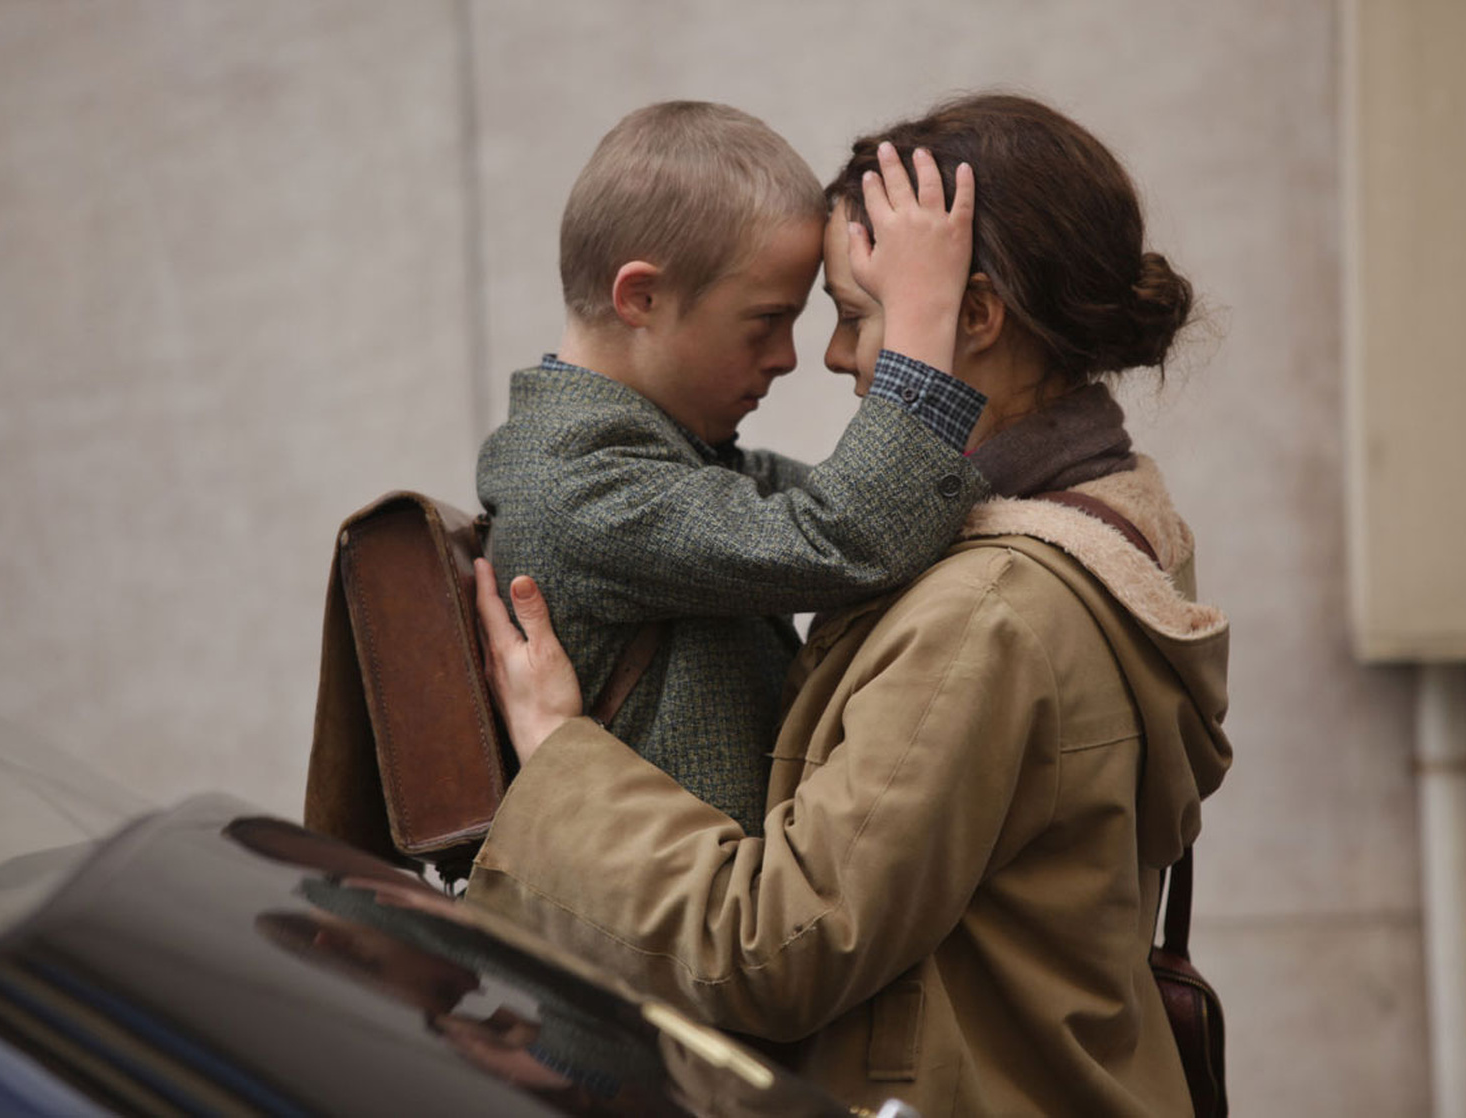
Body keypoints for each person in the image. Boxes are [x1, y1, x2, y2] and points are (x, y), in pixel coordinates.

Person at [465, 93, 1234, 1117]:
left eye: (857, 316)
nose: (820, 358)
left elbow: (777, 943)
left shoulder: (988, 612)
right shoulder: (1102, 518)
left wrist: (558, 757)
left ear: (972, 317)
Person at [475, 101, 990, 837]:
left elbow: (853, 504)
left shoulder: (650, 456)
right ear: (641, 298)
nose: (786, 357)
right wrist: (920, 322)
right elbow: (844, 536)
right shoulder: (581, 485)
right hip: (647, 943)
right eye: (765, 321)